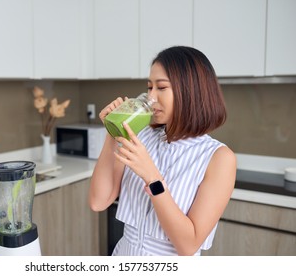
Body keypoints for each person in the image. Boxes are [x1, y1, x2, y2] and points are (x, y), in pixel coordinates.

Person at [88, 46, 236, 256]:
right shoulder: (141, 135)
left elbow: (188, 245)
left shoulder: (219, 158)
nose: (152, 97)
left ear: (190, 91)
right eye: (149, 88)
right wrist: (113, 134)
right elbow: (98, 201)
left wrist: (152, 178)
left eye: (162, 88)